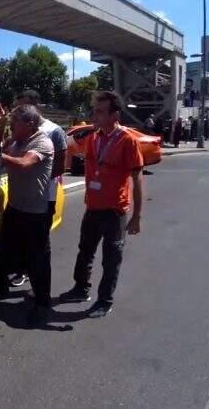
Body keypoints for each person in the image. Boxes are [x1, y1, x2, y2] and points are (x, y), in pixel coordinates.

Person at [59, 91, 144, 318]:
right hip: (92, 208)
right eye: (94, 110)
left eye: (99, 111)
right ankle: (80, 289)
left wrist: (137, 216)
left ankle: (104, 301)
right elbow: (70, 152)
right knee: (85, 251)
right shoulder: (93, 138)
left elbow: (137, 179)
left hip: (114, 211)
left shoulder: (127, 140)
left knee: (111, 259)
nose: (94, 115)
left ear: (114, 115)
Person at [0, 104, 54, 326]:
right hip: (15, 208)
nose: (11, 126)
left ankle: (42, 304)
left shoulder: (42, 142)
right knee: (2, 252)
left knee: (37, 261)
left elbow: (24, 164)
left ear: (29, 124)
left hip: (35, 213)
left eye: (13, 122)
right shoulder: (16, 140)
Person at [7, 90, 67, 289]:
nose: (15, 111)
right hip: (17, 203)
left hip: (43, 197)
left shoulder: (51, 132)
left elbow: (60, 164)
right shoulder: (17, 137)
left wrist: (39, 178)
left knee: (39, 249)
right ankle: (18, 273)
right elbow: (3, 150)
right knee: (12, 246)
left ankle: (41, 297)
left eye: (20, 106)